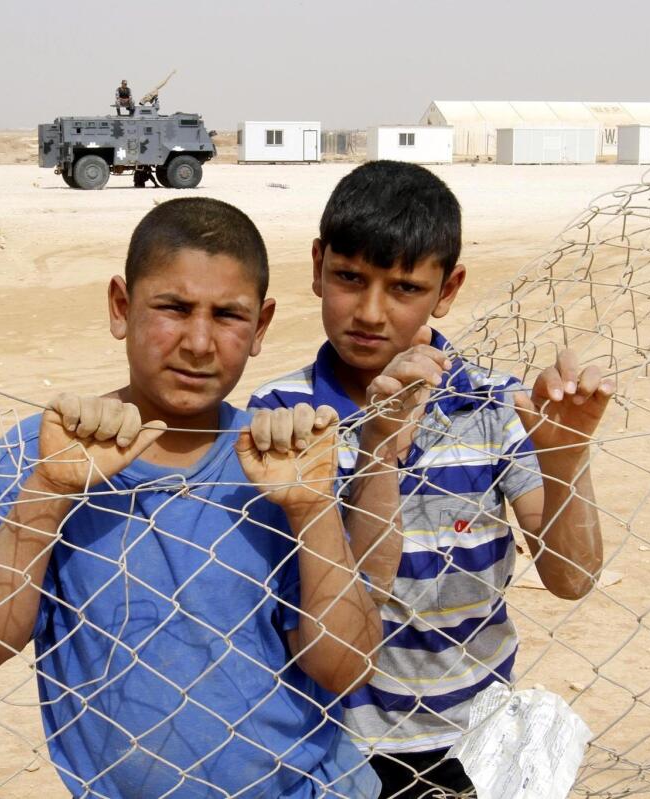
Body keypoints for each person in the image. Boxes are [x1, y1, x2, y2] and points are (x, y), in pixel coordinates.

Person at [0, 197, 382, 798]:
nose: (199, 343)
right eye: (173, 308)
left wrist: (312, 508)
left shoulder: (278, 465)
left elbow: (345, 668)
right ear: (121, 308)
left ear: (261, 327)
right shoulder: (37, 456)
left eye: (228, 315)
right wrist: (50, 490)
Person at [249, 161, 613, 798]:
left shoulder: (494, 407)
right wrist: (378, 453)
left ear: (448, 289)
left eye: (405, 288)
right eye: (349, 278)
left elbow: (571, 577)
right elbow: (347, 598)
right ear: (316, 266)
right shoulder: (283, 417)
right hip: (329, 739)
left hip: (470, 739)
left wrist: (567, 459)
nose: (370, 312)